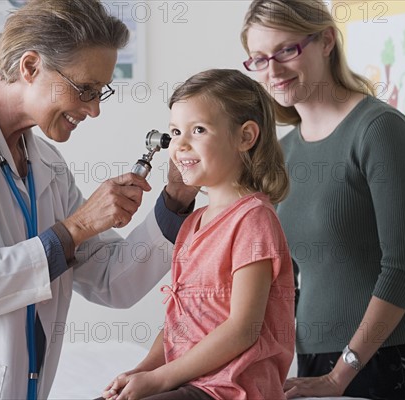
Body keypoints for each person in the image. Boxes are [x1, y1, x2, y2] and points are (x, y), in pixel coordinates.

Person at [0, 1, 198, 398]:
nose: (93, 110)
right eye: (85, 89)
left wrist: (177, 198)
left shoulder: (48, 165)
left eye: (100, 93)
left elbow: (113, 283)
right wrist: (78, 226)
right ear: (30, 67)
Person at [241, 1, 405, 398]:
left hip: (388, 362)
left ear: (326, 41)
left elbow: (404, 269)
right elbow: (287, 280)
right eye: (259, 58)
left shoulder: (378, 130)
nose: (273, 70)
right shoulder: (282, 153)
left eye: (287, 50)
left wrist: (341, 373)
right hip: (315, 363)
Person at [100, 69, 295, 400]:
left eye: (198, 130)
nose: (180, 144)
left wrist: (161, 379)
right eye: (175, 131)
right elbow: (182, 320)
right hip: (191, 383)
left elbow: (242, 330)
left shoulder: (253, 220)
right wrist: (143, 370)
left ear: (246, 136)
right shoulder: (192, 223)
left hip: (232, 389)